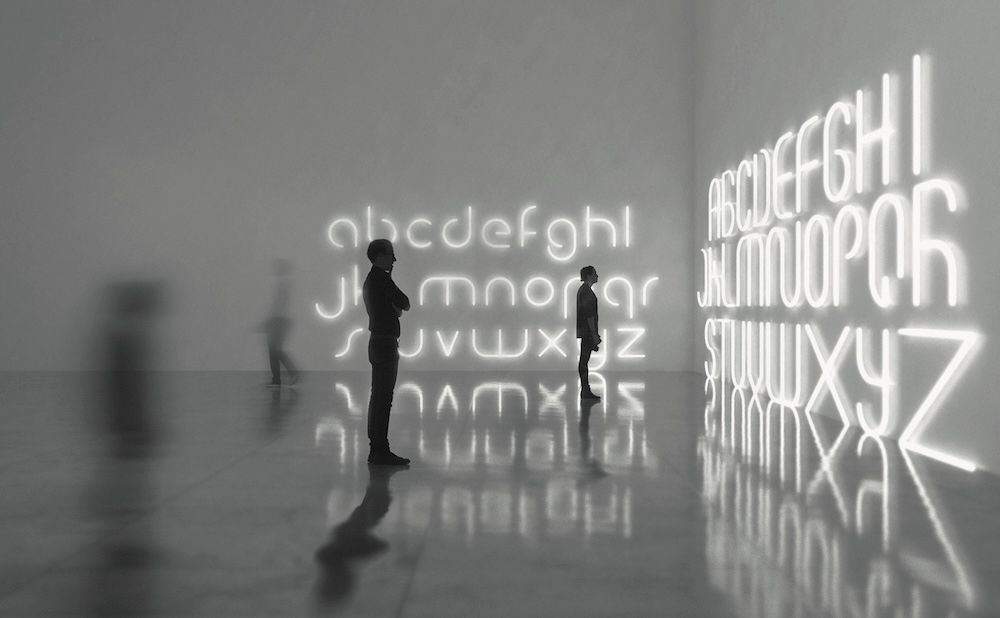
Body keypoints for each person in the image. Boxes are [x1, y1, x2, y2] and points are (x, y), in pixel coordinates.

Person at [363, 239, 411, 465]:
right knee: (384, 398)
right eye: (391, 254)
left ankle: (377, 448)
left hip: (377, 343)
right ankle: (380, 450)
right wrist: (396, 308)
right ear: (380, 256)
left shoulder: (373, 280)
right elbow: (405, 303)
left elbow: (399, 307)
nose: (395, 259)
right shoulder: (382, 280)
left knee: (379, 397)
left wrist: (395, 308)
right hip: (385, 344)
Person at [262, 259, 300, 388]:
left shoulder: (281, 284)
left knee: (274, 350)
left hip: (279, 320)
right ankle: (278, 379)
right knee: (274, 350)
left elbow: (279, 305)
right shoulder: (282, 284)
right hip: (279, 320)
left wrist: (270, 322)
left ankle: (289, 374)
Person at [576, 265, 601, 399]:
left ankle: (585, 389)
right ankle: (585, 390)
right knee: (584, 360)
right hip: (587, 332)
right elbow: (589, 315)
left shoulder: (584, 290)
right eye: (595, 273)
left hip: (586, 331)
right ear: (589, 276)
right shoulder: (586, 292)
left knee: (584, 360)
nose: (597, 276)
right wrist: (594, 334)